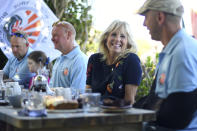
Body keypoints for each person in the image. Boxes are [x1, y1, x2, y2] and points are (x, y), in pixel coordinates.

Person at [137, 0, 197, 130]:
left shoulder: (182, 52)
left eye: (146, 17)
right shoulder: (172, 50)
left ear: (160, 17)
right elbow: (158, 99)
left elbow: (178, 117)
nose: (144, 24)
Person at [86, 20, 142, 105]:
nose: (117, 39)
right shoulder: (94, 59)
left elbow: (129, 101)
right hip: (92, 112)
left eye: (122, 36)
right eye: (113, 34)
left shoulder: (131, 60)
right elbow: (87, 93)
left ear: (128, 43)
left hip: (117, 115)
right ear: (106, 38)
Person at [49, 21, 88, 93]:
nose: (52, 39)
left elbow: (77, 94)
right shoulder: (59, 59)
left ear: (68, 35)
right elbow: (51, 88)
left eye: (55, 35)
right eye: (52, 36)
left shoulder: (80, 61)